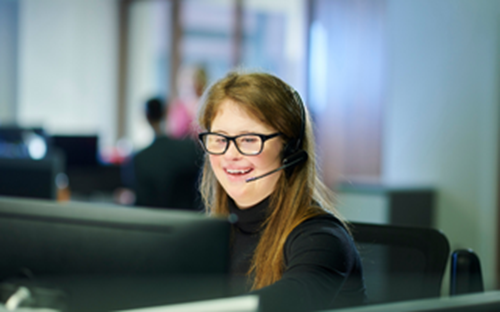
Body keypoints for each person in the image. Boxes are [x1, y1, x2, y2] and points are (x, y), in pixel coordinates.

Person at [196, 72, 367, 311]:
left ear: (289, 150)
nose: (230, 154)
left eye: (248, 139)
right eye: (220, 138)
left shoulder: (322, 239)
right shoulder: (209, 237)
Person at [129, 97, 202, 210]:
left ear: (146, 116)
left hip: (153, 222)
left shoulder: (139, 159)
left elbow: (140, 200)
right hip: (189, 220)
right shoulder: (190, 149)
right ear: (166, 112)